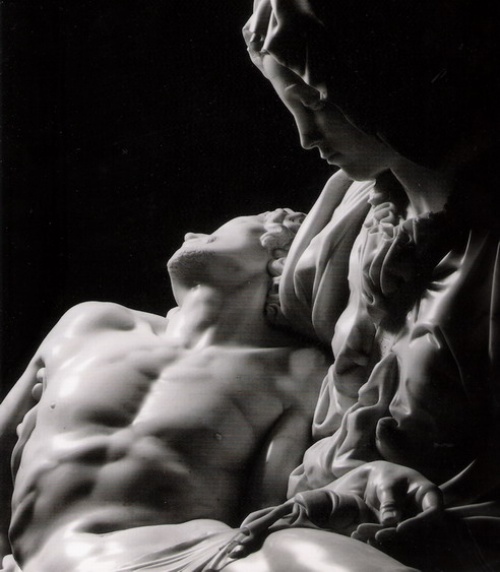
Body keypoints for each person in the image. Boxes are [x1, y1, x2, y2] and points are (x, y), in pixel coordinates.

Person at [207, 1, 500, 571]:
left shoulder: (486, 250)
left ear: (379, 78)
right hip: (328, 513)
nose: (305, 137)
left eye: (316, 102)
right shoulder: (348, 216)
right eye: (290, 105)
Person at [0, 208, 330, 571]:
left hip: (184, 555)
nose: (191, 233)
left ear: (281, 254)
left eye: (221, 228)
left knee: (309, 553)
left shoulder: (296, 369)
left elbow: (264, 509)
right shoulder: (91, 322)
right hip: (51, 558)